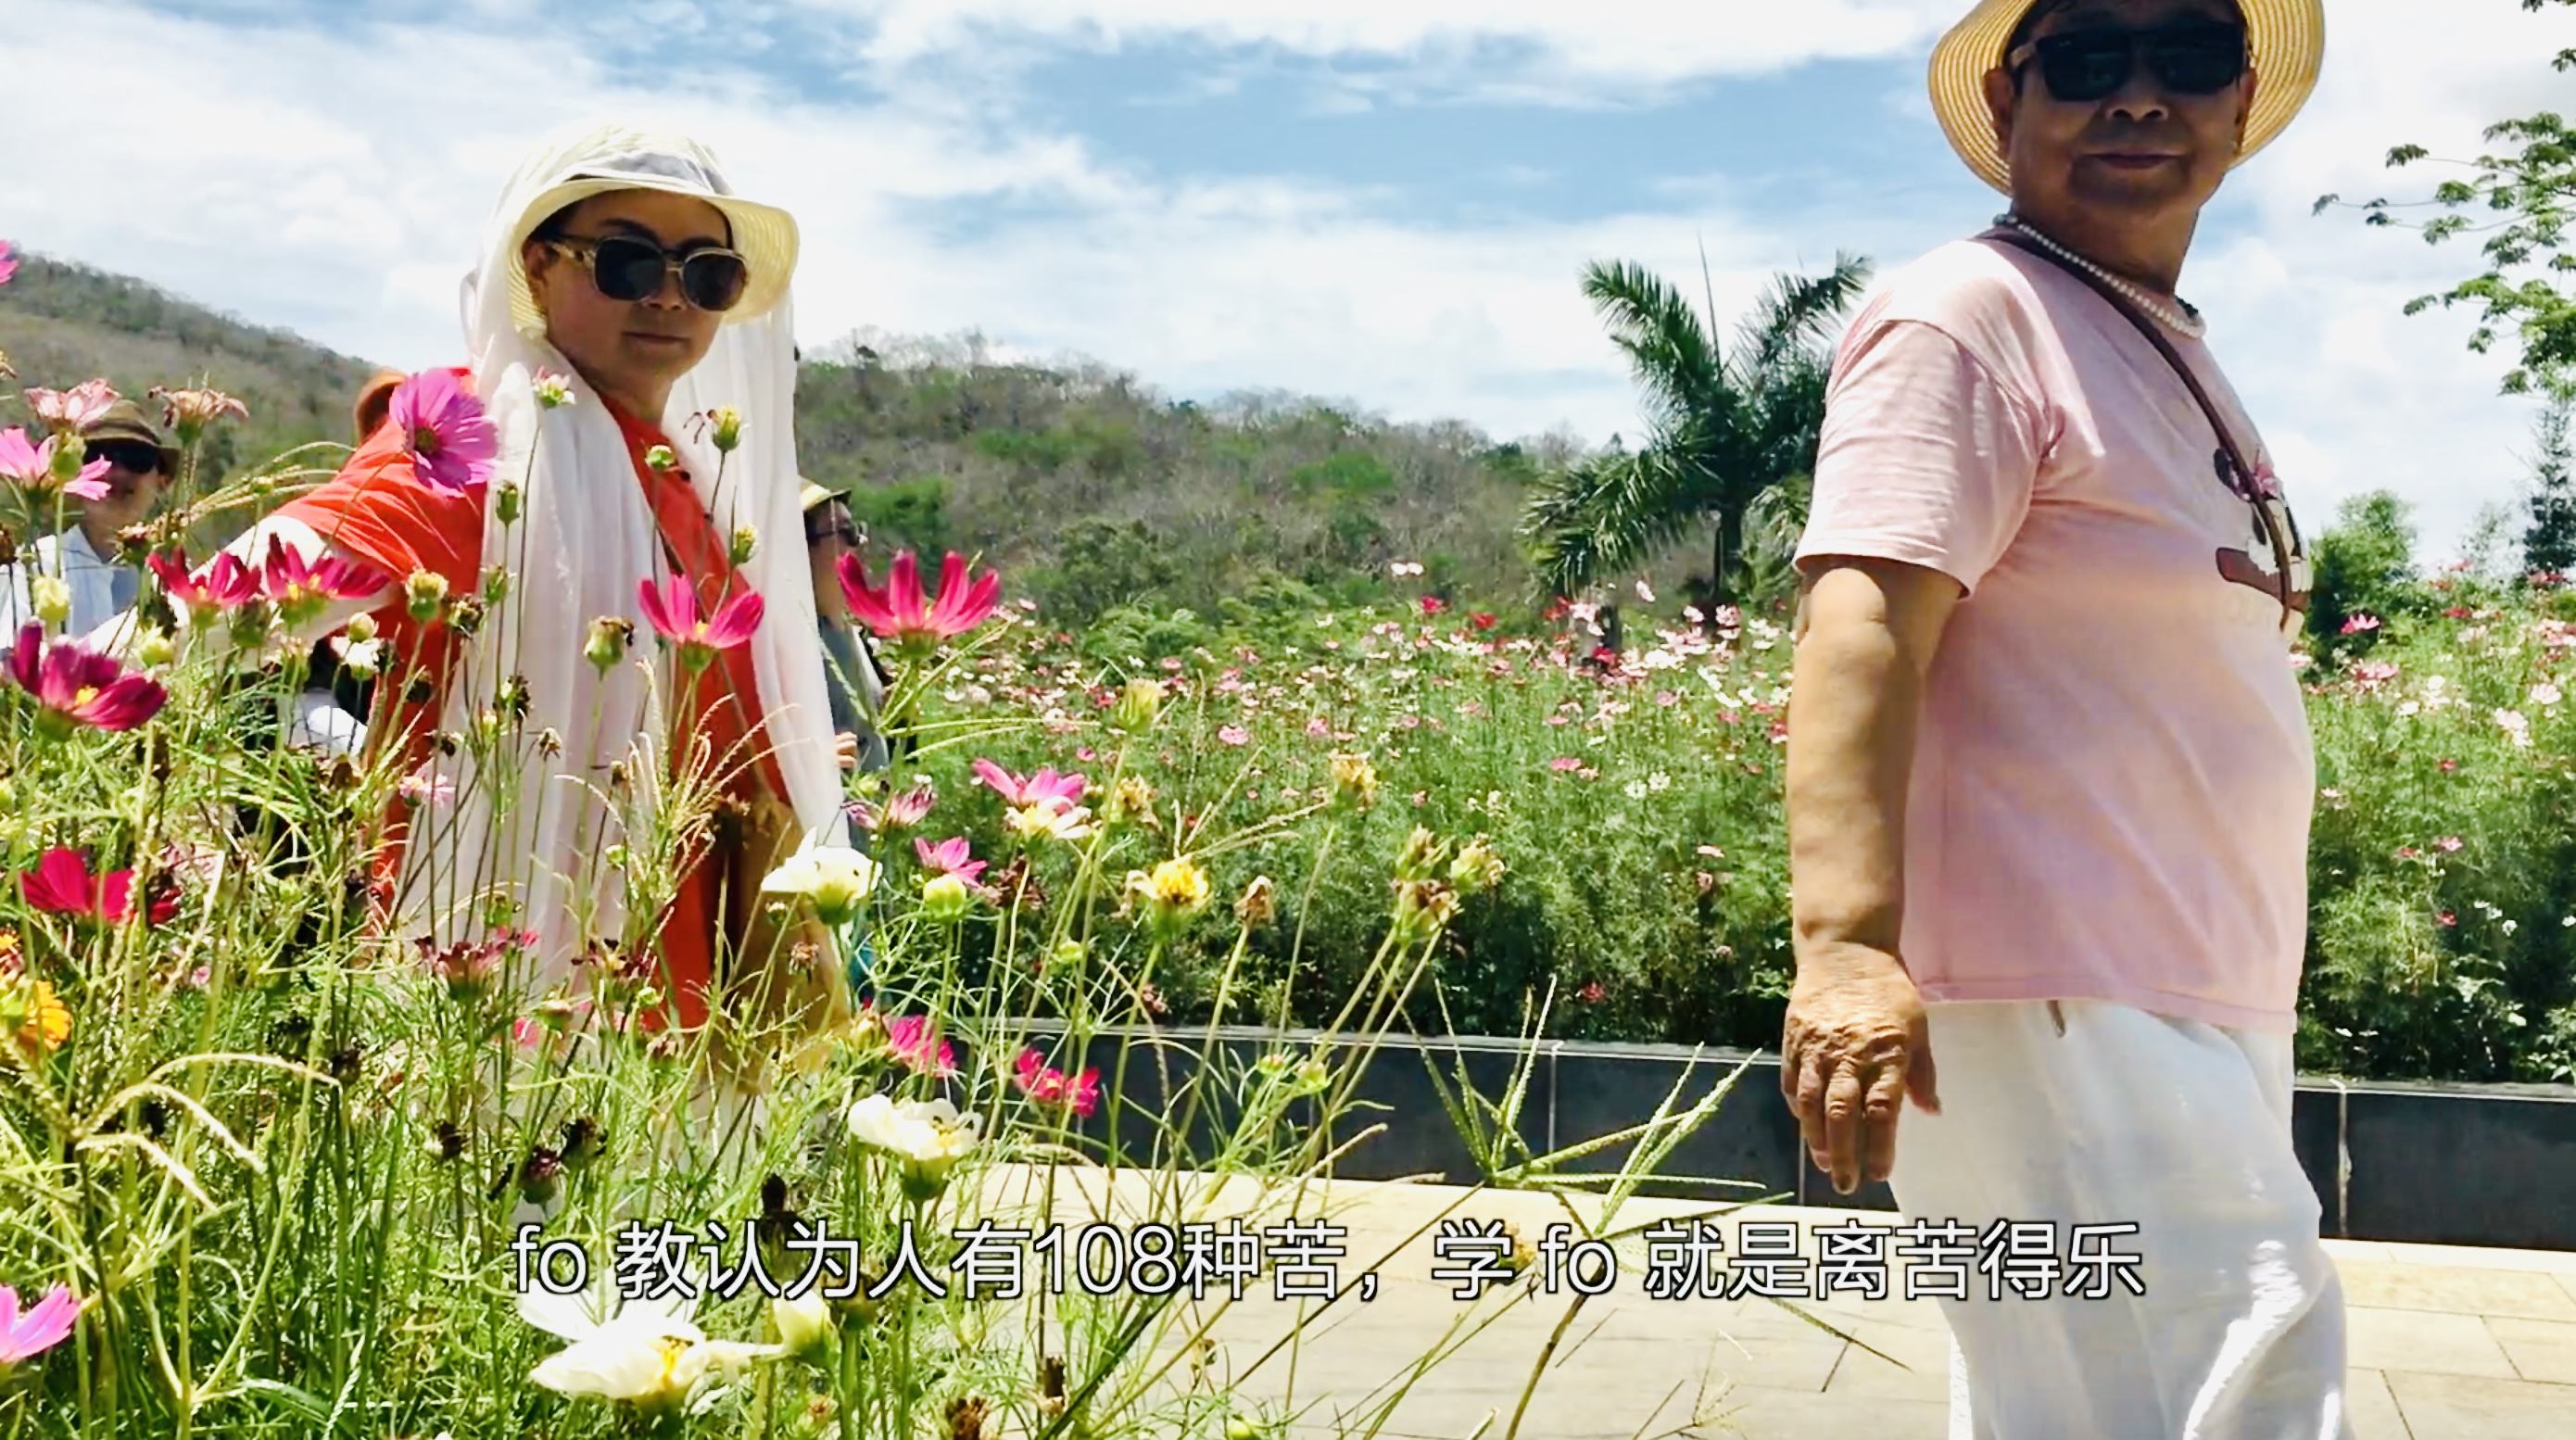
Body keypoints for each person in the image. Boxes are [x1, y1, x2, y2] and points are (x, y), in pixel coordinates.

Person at [1780, 2, 2343, 1436]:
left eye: (2184, 59)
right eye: (2089, 60)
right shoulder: (1968, 317)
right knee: (2250, 1377)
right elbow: (1861, 626)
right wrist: (1845, 949)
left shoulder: (2144, 331)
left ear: (2239, 102)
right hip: (2056, 984)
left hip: (2178, 983)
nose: (2138, 97)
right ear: (2007, 98)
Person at [165, 121, 849, 1040]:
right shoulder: (481, 448)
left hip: (689, 1009)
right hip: (504, 1004)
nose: (669, 296)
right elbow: (216, 608)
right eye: (627, 261)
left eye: (708, 274)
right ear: (537, 264)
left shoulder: (692, 491)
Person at [1, 398, 174, 635]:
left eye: (137, 458)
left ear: (163, 481)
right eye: (96, 456)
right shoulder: (33, 566)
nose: (117, 471)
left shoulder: (170, 584)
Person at [801, 479, 892, 777]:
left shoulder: (853, 634)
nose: (860, 541)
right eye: (845, 531)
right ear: (800, 547)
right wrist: (807, 759)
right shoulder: (786, 644)